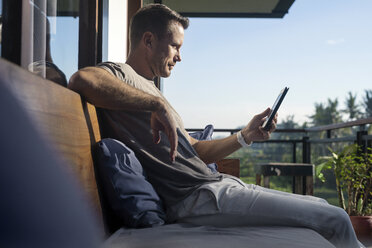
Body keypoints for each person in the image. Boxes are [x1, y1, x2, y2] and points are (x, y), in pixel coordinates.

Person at [68, 4, 364, 248]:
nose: (179, 57)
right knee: (335, 219)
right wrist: (154, 105)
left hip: (215, 187)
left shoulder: (152, 88)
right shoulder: (121, 75)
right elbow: (82, 80)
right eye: (175, 46)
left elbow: (196, 151)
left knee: (324, 210)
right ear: (148, 41)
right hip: (195, 198)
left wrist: (245, 136)